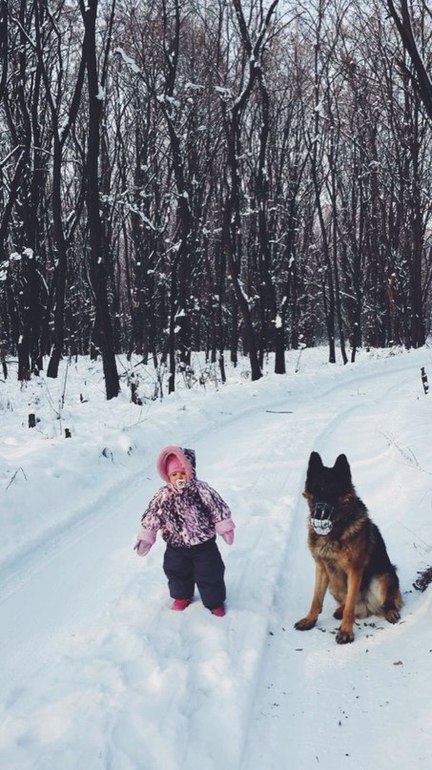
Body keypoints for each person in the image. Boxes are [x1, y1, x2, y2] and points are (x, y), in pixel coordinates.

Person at [134, 445, 235, 617]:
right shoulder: (163, 496)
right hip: (176, 545)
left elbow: (217, 507)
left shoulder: (201, 490)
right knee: (176, 572)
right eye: (174, 474)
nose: (179, 477)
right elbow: (153, 515)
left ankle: (214, 602)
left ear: (191, 472)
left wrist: (224, 527)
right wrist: (147, 536)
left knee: (210, 572)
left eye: (182, 473)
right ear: (167, 476)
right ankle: (181, 596)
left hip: (204, 544)